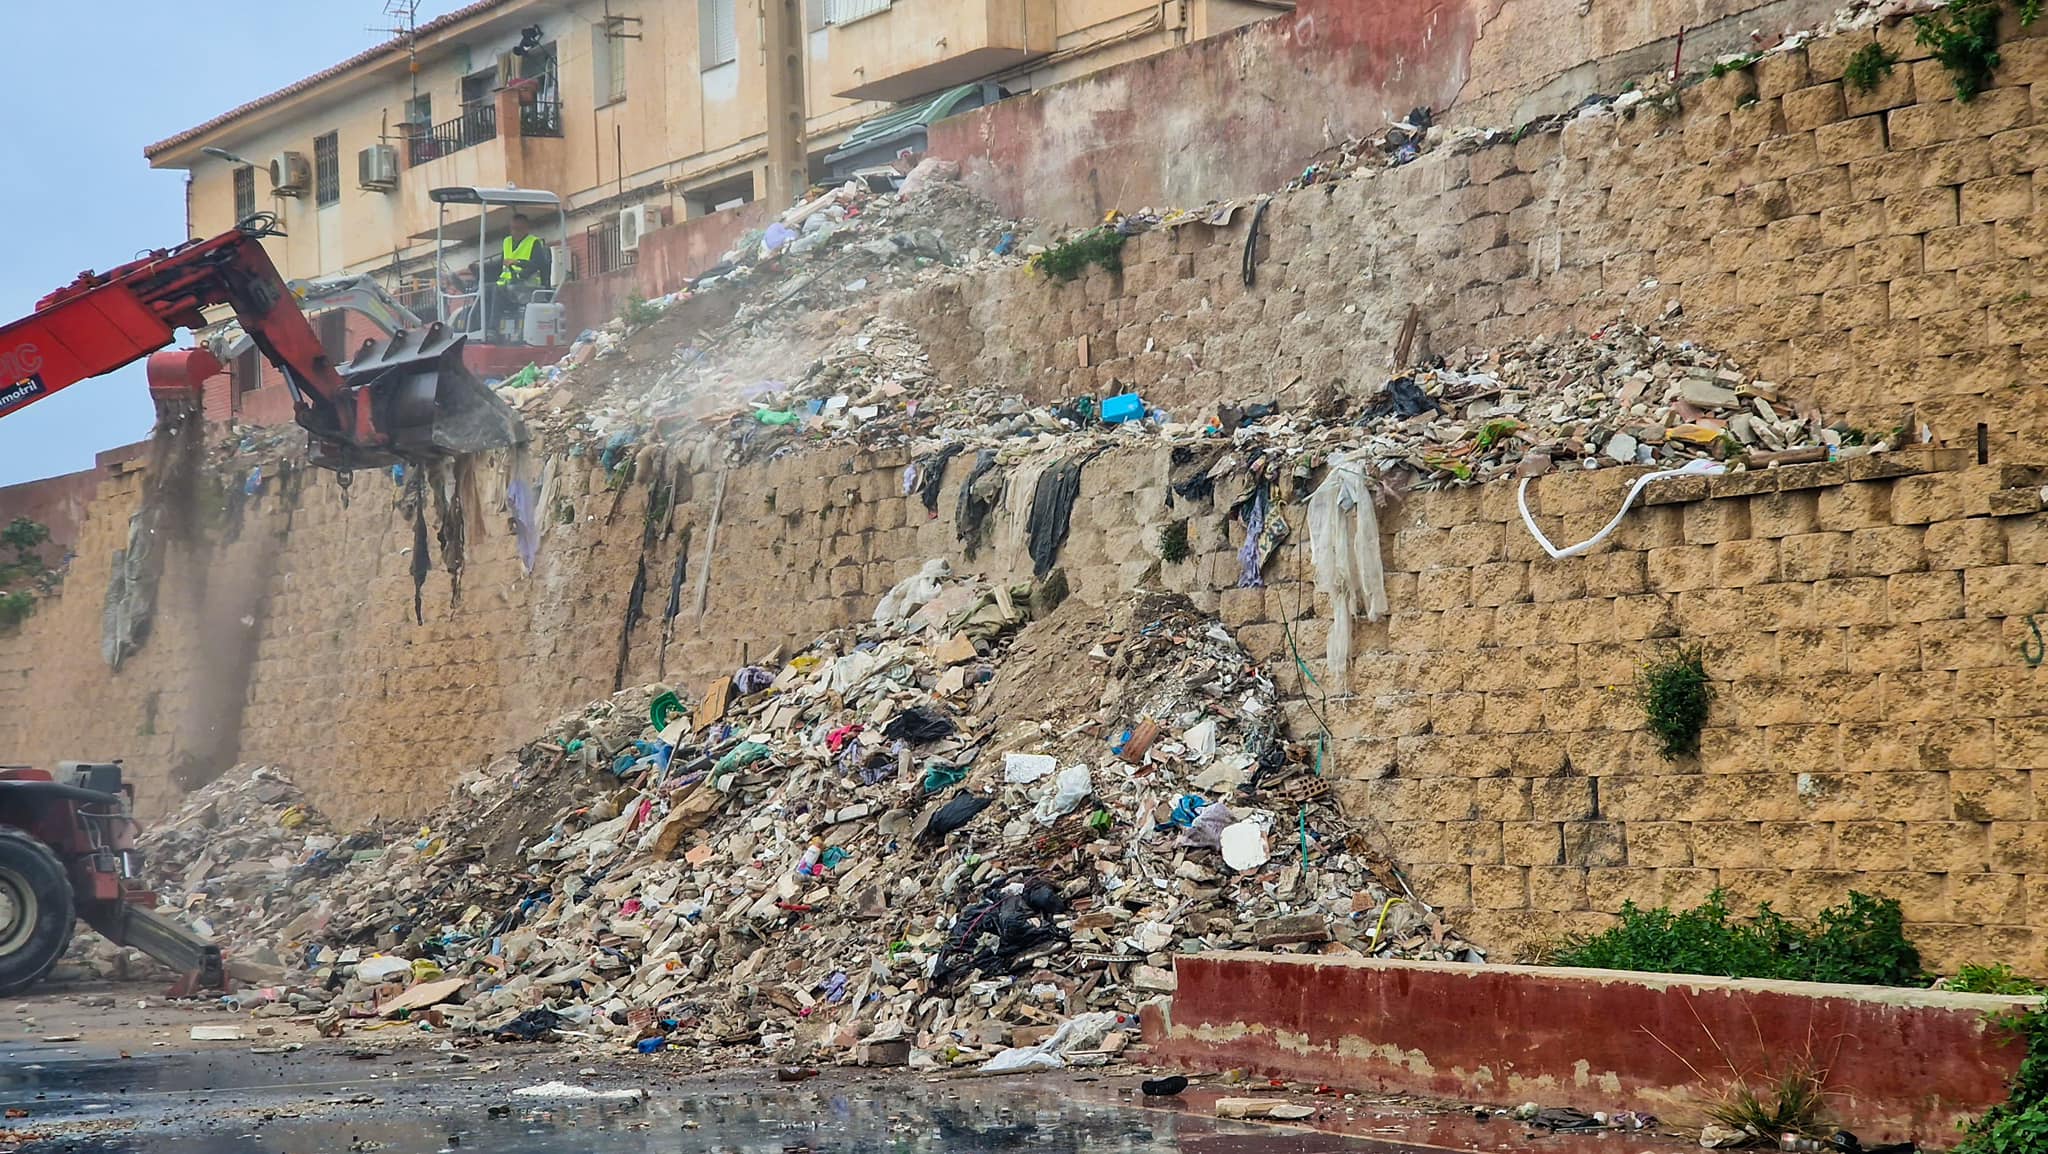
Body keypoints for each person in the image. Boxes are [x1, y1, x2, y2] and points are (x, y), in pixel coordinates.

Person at [486, 214, 552, 340]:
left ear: (526, 228)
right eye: (512, 228)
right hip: (509, 285)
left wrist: (518, 264)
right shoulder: (507, 242)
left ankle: (493, 329)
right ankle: (479, 327)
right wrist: (479, 269)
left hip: (527, 287)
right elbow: (501, 263)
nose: (514, 232)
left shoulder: (534, 243)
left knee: (496, 290)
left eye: (518, 228)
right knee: (482, 290)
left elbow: (538, 264)